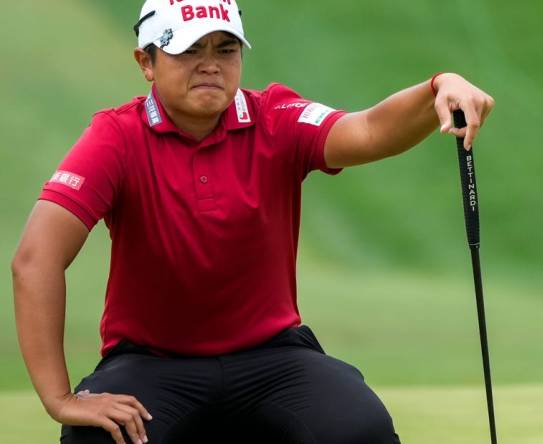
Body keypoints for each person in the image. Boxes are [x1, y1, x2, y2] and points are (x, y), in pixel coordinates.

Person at [11, 0, 494, 443]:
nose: (210, 64)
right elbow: (36, 260)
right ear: (146, 62)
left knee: (358, 429)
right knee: (100, 438)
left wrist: (438, 86)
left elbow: (366, 130)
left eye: (225, 49)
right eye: (187, 50)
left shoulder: (276, 117)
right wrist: (60, 399)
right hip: (152, 362)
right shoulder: (115, 137)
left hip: (273, 357)